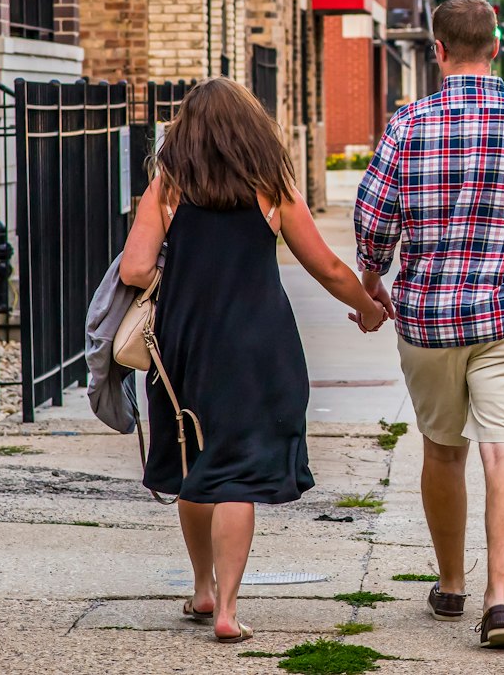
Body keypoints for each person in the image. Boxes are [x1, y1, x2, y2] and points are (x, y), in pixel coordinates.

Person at [120, 78, 387, 644]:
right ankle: (229, 610)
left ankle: (202, 588)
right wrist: (367, 308)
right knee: (237, 471)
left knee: (192, 460)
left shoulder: (167, 187)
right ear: (251, 129)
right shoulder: (271, 189)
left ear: (186, 131)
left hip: (184, 341)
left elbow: (135, 271)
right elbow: (329, 268)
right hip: (257, 343)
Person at [354, 0, 504, 651]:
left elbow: (373, 221)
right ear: (496, 47)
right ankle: (500, 601)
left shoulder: (407, 125)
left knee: (444, 451)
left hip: (427, 321)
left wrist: (372, 277)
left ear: (437, 51)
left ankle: (451, 585)